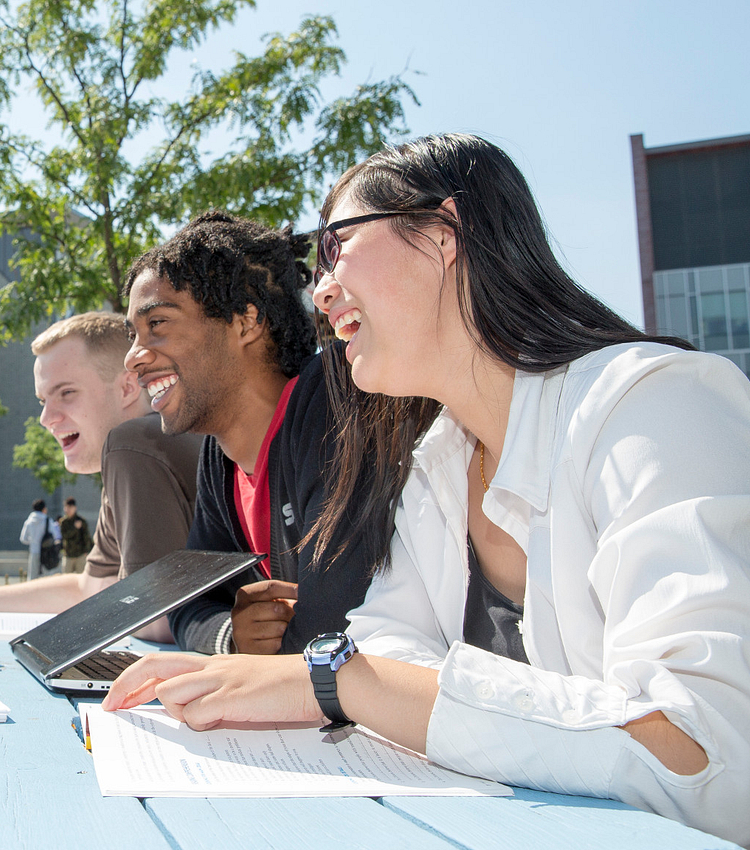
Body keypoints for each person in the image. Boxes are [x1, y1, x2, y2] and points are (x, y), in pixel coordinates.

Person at [104, 133, 750, 846]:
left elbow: (706, 760)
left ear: (443, 236)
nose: (319, 291)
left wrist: (342, 682)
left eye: (337, 245)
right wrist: (359, 677)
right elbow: (384, 640)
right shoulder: (439, 461)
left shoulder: (656, 409)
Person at [122, 212, 382, 655]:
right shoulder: (219, 457)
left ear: (246, 322)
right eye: (133, 334)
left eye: (157, 325)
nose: (133, 358)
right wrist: (233, 636)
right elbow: (189, 604)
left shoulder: (333, 403)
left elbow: (331, 629)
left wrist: (269, 640)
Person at [0, 312, 200, 643]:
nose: (46, 418)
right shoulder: (137, 449)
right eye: (44, 400)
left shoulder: (132, 444)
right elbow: (88, 588)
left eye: (66, 393)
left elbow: (158, 618)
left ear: (128, 387)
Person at [18, 499, 62, 579]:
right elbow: (56, 536)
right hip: (46, 552)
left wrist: (33, 541)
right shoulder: (48, 521)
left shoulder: (29, 522)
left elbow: (23, 539)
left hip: (34, 551)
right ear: (44, 509)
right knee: (46, 578)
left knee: (32, 576)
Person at [57, 497, 92, 574]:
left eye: (70, 507)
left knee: (81, 578)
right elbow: (65, 536)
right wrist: (75, 528)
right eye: (66, 507)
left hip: (80, 554)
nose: (68, 510)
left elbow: (87, 537)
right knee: (66, 578)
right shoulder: (63, 522)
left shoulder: (81, 521)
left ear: (75, 508)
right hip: (68, 554)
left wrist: (87, 551)